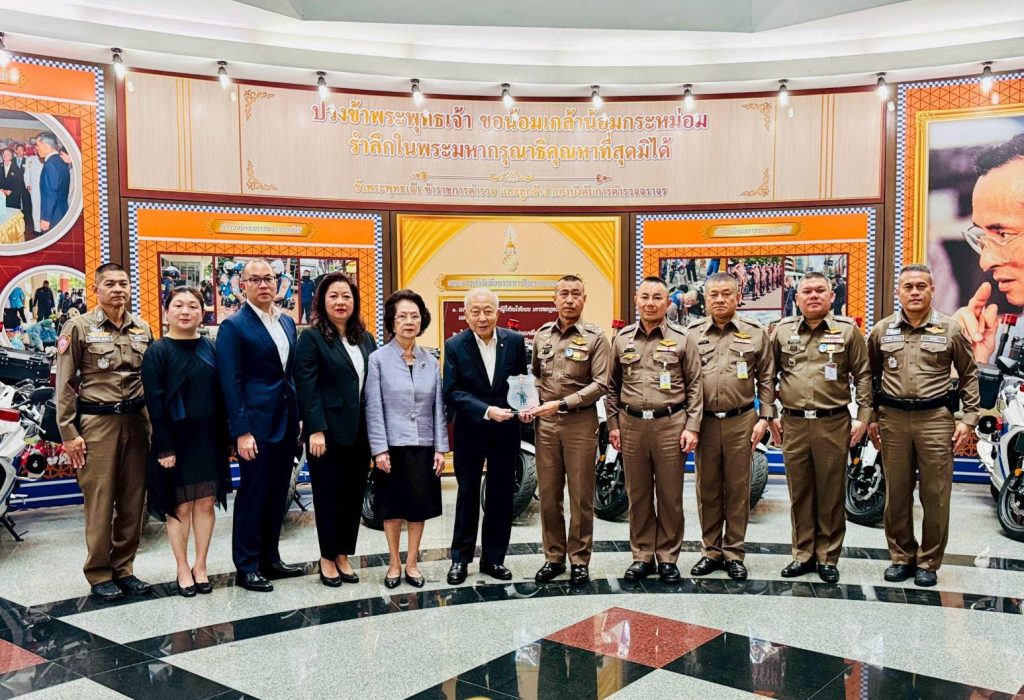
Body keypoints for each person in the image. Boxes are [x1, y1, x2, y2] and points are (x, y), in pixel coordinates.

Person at [867, 264, 980, 587]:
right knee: (897, 492)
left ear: (932, 289)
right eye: (908, 287)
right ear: (898, 292)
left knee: (936, 494)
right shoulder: (882, 331)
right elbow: (869, 376)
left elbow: (969, 374)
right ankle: (901, 557)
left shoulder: (950, 329)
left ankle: (929, 561)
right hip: (893, 420)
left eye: (921, 286)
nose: (915, 292)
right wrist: (871, 416)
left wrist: (969, 419)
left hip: (935, 420)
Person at [55, 263, 153, 601]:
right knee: (100, 500)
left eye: (123, 283)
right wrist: (69, 433)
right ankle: (99, 572)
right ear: (95, 289)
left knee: (133, 500)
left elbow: (151, 381)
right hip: (97, 425)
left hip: (137, 423)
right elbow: (65, 384)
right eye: (110, 284)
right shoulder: (79, 327)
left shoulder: (143, 328)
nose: (118, 289)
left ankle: (124, 568)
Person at [769, 272, 871, 584]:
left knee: (830, 492)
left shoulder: (848, 331)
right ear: (797, 297)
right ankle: (802, 554)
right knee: (799, 491)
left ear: (831, 296)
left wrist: (864, 416)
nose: (813, 296)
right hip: (794, 423)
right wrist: (769, 413)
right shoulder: (782, 331)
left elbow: (863, 375)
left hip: (833, 422)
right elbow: (767, 376)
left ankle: (827, 557)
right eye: (807, 291)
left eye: (820, 291)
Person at [606, 277, 702, 583]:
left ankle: (668, 557)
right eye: (645, 297)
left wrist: (692, 427)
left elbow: (695, 386)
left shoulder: (684, 339)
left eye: (657, 297)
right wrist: (613, 426)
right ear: (636, 300)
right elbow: (611, 387)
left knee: (670, 495)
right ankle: (642, 555)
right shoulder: (622, 339)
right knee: (638, 494)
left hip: (670, 424)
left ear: (667, 302)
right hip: (631, 424)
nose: (650, 303)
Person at [217, 258, 302, 593]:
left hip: (285, 422)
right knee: (253, 495)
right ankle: (247, 565)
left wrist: (298, 416)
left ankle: (271, 559)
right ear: (243, 286)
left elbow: (289, 374)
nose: (264, 284)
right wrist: (241, 431)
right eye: (255, 279)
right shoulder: (234, 326)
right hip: (255, 426)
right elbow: (231, 382)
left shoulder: (287, 322)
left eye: (269, 278)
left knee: (278, 493)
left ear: (277, 283)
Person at [141, 287, 231, 597]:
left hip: (208, 438)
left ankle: (201, 565)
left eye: (193, 306)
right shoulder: (158, 352)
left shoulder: (211, 347)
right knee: (179, 505)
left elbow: (222, 395)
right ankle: (182, 567)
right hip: (175, 443)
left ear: (202, 313)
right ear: (166, 311)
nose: (185, 311)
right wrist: (164, 447)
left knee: (205, 503)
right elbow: (154, 404)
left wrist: (227, 437)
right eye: (178, 305)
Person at [688, 273, 775, 581]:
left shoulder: (755, 332)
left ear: (738, 297)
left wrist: (765, 417)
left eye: (726, 293)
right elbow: (685, 380)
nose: (720, 299)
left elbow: (767, 377)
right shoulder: (692, 334)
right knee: (707, 489)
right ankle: (711, 551)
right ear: (705, 299)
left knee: (738, 489)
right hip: (705, 422)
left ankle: (734, 553)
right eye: (714, 294)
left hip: (742, 420)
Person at [526, 275, 611, 585]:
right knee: (549, 496)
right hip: (546, 425)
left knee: (580, 496)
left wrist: (562, 403)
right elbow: (536, 376)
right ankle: (553, 557)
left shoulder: (596, 338)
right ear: (554, 299)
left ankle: (579, 559)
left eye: (576, 294)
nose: (570, 299)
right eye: (564, 293)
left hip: (580, 423)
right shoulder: (542, 336)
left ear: (584, 299)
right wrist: (530, 400)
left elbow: (601, 383)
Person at [294, 272, 377, 587]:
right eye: (334, 296)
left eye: (346, 296)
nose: (341, 302)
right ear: (322, 301)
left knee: (352, 496)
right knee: (328, 495)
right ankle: (327, 557)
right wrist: (316, 429)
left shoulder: (365, 338)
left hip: (360, 432)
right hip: (326, 434)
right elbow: (307, 386)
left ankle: (343, 554)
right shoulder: (311, 338)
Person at [442, 288, 528, 585]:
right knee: (467, 494)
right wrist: (487, 410)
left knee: (501, 495)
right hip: (471, 429)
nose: (482, 317)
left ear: (497, 312)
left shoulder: (514, 341)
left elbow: (521, 382)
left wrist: (524, 407)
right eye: (475, 311)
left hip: (506, 430)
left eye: (488, 311)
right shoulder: (455, 345)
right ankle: (460, 559)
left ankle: (494, 559)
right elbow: (451, 392)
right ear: (466, 314)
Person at [365, 289, 449, 589]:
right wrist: (379, 449)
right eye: (402, 316)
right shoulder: (378, 359)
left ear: (421, 321)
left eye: (414, 316)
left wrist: (440, 448)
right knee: (391, 508)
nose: (409, 322)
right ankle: (394, 563)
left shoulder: (431, 360)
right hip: (392, 447)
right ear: (392, 321)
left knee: (418, 508)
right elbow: (374, 407)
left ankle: (412, 563)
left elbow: (438, 406)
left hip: (423, 446)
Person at [952, 134, 1024, 362]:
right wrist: (971, 365)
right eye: (982, 237)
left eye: (1003, 234)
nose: (985, 262)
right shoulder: (1008, 339)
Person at [35, 132, 70, 233]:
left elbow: (51, 193)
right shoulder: (60, 161)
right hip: (61, 211)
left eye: (38, 145)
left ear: (45, 146)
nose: (36, 148)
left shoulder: (50, 164)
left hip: (54, 216)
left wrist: (46, 218)